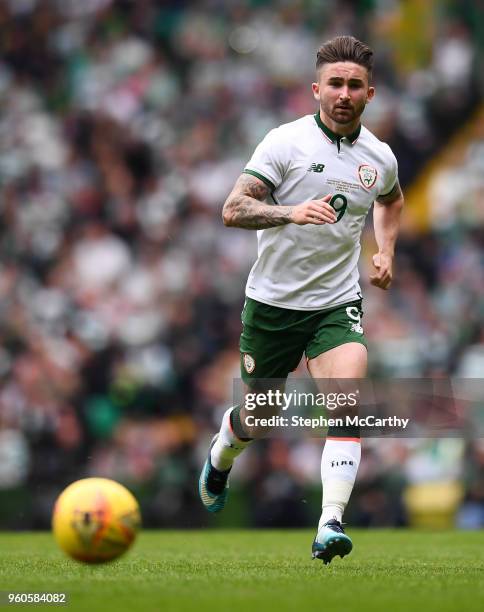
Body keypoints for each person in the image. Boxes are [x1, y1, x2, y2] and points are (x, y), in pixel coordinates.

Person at [198, 35, 404, 564]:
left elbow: (392, 200)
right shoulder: (283, 144)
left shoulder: (379, 157)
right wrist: (289, 211)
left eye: (354, 85)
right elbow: (233, 208)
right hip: (272, 306)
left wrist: (385, 249)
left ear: (370, 94)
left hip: (336, 303)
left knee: (347, 399)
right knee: (259, 418)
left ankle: (329, 524)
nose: (343, 93)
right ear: (316, 90)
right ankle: (222, 453)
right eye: (334, 83)